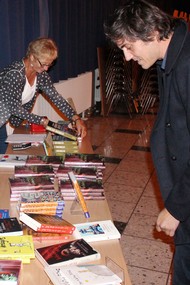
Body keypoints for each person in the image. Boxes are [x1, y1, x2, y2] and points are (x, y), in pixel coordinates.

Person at [104, 1, 190, 284]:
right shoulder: (171, 55)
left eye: (129, 47)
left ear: (152, 32)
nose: (127, 57)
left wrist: (177, 207)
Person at [0, 37, 87, 153]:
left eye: (49, 65)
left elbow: (56, 98)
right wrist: (41, 121)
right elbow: (14, 108)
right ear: (32, 57)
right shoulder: (14, 74)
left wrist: (76, 118)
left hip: (2, 117)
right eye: (44, 64)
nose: (46, 68)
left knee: (3, 156)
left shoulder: (40, 75)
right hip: (3, 113)